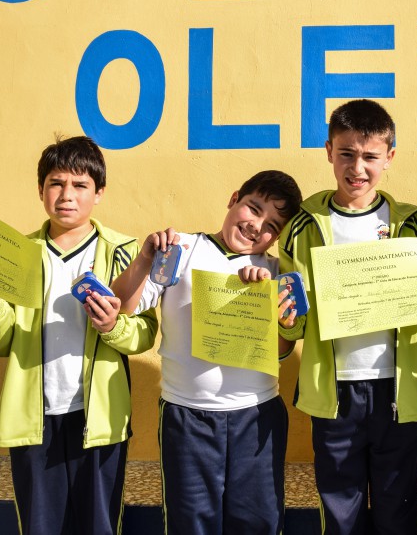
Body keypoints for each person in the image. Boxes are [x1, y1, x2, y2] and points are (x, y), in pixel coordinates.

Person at [0, 135, 155, 535]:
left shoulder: (124, 251)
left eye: (80, 185)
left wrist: (112, 326)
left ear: (99, 193)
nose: (67, 195)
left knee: (99, 524)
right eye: (56, 183)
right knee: (40, 525)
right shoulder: (17, 254)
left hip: (99, 420)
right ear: (40, 190)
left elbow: (145, 332)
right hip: (34, 420)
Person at [278, 99, 417, 535]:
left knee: (399, 510)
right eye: (346, 154)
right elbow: (295, 323)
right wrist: (286, 317)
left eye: (371, 157)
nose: (358, 168)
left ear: (389, 157)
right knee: (341, 512)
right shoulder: (303, 225)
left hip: (397, 390)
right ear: (329, 151)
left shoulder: (412, 225)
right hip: (333, 393)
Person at [111, 170, 302, 535]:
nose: (256, 226)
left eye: (271, 226)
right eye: (254, 208)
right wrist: (145, 259)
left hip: (256, 415)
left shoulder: (274, 272)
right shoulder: (179, 250)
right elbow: (122, 305)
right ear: (234, 199)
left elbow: (281, 351)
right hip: (187, 416)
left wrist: (266, 306)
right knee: (190, 523)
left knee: (259, 523)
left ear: (277, 237)